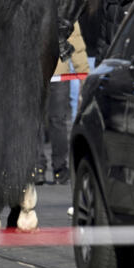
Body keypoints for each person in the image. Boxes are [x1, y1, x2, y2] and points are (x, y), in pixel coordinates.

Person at [36, 22, 87, 185]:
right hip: (35, 73)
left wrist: (83, 70)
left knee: (56, 121)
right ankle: (39, 167)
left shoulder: (64, 5)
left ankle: (59, 168)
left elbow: (75, 39)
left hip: (58, 73)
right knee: (38, 121)